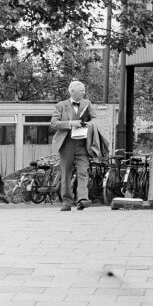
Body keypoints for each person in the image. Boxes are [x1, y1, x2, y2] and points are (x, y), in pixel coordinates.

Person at [49, 80, 94, 210]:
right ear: (72, 91)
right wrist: (70, 123)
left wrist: (89, 124)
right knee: (66, 173)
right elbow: (54, 123)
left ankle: (82, 199)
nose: (84, 92)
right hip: (66, 144)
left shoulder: (87, 104)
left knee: (83, 172)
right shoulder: (61, 105)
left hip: (82, 144)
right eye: (82, 90)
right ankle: (67, 201)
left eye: (85, 90)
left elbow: (95, 119)